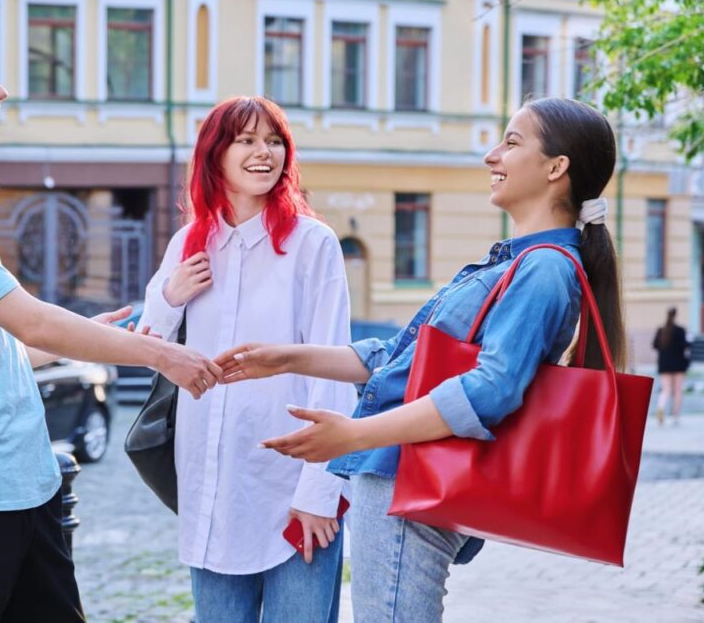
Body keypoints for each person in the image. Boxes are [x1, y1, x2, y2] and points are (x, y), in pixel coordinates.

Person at [215, 97, 627, 622]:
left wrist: (356, 434)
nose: (491, 156)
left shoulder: (544, 269)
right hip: (403, 481)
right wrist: (287, 358)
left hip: (410, 485)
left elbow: (491, 390)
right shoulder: (519, 261)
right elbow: (400, 361)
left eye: (512, 142)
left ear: (556, 168)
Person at [0, 16, 221, 623]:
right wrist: (159, 354)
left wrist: (93, 344)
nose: (0, 92)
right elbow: (29, 321)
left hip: (23, 478)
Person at [138, 96, 356, 623]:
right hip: (213, 489)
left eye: (275, 141)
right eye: (247, 140)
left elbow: (335, 369)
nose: (265, 153)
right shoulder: (189, 243)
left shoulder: (312, 244)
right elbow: (151, 350)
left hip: (292, 490)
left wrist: (320, 491)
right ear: (216, 154)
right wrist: (170, 294)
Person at [653, 307, 691, 425]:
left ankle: (661, 407)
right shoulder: (680, 330)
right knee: (678, 390)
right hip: (679, 364)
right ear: (676, 315)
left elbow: (655, 345)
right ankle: (676, 416)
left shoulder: (661, 330)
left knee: (666, 389)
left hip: (664, 364)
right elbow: (685, 346)